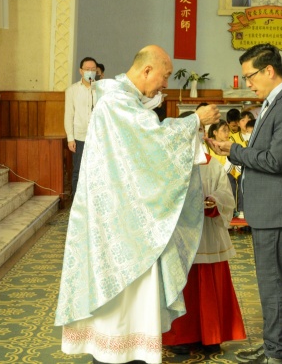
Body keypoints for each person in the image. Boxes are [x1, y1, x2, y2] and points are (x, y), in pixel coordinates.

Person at [54, 45, 221, 364]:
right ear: (146, 70)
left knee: (130, 309)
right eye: (165, 76)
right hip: (121, 223)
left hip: (128, 212)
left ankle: (125, 353)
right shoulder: (117, 101)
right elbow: (153, 141)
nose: (165, 84)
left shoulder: (124, 98)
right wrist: (194, 120)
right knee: (122, 305)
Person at [209, 43, 282, 364]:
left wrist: (234, 151)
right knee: (268, 282)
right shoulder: (273, 101)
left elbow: (276, 160)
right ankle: (271, 344)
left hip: (274, 205)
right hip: (266, 205)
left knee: (273, 283)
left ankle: (278, 353)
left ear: (269, 70)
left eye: (250, 76)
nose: (248, 83)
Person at [162, 113, 246, 356]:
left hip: (207, 235)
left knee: (209, 284)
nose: (196, 135)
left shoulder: (212, 164)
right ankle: (179, 337)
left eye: (199, 130)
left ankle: (211, 335)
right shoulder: (168, 164)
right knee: (182, 284)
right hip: (180, 234)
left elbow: (226, 194)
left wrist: (213, 201)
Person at [64, 56, 98, 199]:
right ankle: (76, 202)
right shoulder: (72, 90)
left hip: (98, 136)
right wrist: (70, 138)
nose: (90, 72)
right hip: (79, 136)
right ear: (81, 71)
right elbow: (69, 115)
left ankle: (93, 201)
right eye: (87, 69)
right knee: (78, 170)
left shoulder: (100, 89)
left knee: (96, 170)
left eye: (93, 69)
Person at [208, 120, 243, 217]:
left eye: (228, 130)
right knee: (227, 178)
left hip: (230, 174)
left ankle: (239, 210)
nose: (227, 133)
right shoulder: (207, 145)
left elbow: (237, 166)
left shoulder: (231, 145)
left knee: (237, 179)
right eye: (224, 130)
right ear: (215, 132)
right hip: (212, 175)